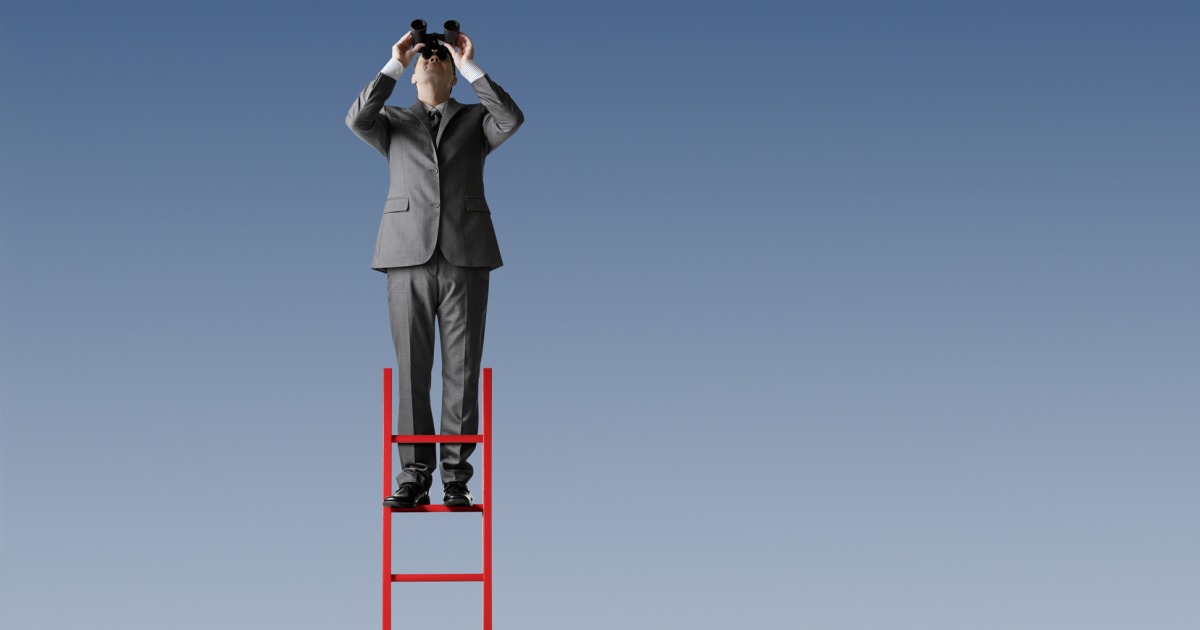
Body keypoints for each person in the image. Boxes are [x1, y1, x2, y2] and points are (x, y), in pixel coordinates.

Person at [345, 29, 523, 508]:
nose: (433, 58)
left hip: (467, 255)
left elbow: (511, 118)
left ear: (453, 75)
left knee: (462, 371)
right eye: (427, 55)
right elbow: (356, 118)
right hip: (406, 255)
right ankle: (413, 477)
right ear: (412, 74)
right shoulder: (392, 120)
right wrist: (396, 62)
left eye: (440, 56)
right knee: (412, 370)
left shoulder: (476, 119)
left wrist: (469, 64)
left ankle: (456, 479)